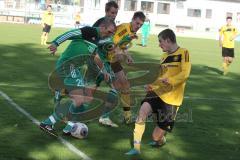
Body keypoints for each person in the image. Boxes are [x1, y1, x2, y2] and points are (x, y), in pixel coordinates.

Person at [39, 18, 116, 137]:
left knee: (83, 98)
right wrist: (55, 43)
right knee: (80, 98)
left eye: (112, 33)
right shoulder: (89, 31)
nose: (110, 35)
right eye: (109, 31)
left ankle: (69, 127)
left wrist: (104, 70)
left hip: (75, 69)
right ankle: (47, 123)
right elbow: (71, 33)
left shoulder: (98, 39)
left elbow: (94, 55)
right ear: (102, 27)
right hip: (68, 65)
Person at [125, 29, 191, 155]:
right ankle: (136, 148)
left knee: (156, 137)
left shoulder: (184, 52)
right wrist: (152, 84)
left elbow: (185, 73)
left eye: (160, 41)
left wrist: (170, 80)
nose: (159, 44)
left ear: (168, 40)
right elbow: (159, 75)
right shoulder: (163, 56)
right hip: (157, 92)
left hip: (172, 99)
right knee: (142, 112)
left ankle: (160, 140)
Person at [107, 11, 145, 125]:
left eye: (141, 25)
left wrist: (127, 56)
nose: (138, 26)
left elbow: (122, 45)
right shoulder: (124, 28)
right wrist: (119, 53)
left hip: (113, 59)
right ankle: (104, 116)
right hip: (106, 59)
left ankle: (127, 116)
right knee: (110, 85)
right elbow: (111, 43)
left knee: (124, 85)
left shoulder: (131, 32)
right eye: (137, 23)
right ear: (133, 19)